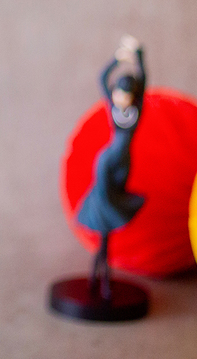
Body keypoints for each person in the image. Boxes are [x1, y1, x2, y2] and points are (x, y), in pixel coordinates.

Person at [74, 35, 145, 300]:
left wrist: (138, 55)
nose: (120, 98)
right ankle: (101, 279)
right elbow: (102, 78)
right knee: (104, 213)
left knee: (111, 221)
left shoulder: (137, 110)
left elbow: (144, 77)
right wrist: (118, 58)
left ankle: (101, 277)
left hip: (123, 165)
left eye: (125, 94)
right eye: (118, 93)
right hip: (107, 161)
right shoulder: (111, 108)